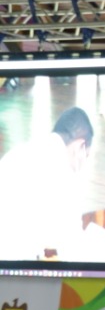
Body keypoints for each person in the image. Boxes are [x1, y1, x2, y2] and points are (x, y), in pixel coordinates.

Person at [0, 106, 95, 261]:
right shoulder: (64, 174)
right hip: (16, 266)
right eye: (86, 155)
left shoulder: (16, 153)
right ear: (80, 146)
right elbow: (71, 245)